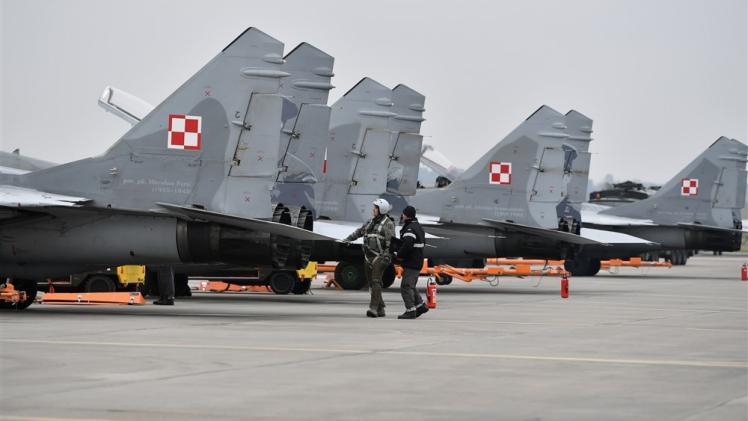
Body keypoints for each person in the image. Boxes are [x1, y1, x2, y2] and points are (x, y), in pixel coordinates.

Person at [343, 198, 396, 318]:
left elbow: (391, 243)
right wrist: (348, 239)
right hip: (368, 256)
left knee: (376, 281)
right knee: (371, 283)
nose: (373, 209)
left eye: (375, 208)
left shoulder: (388, 224)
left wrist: (387, 256)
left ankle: (373, 308)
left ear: (381, 209)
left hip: (380, 257)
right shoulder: (370, 222)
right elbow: (359, 232)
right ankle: (381, 308)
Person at [394, 205, 428, 319]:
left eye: (403, 213)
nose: (402, 215)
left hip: (412, 262)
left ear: (406, 215)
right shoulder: (418, 226)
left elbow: (407, 244)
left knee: (406, 286)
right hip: (417, 261)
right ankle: (420, 306)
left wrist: (398, 255)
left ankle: (410, 310)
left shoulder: (410, 228)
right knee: (411, 285)